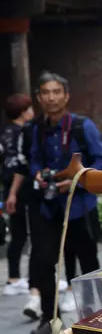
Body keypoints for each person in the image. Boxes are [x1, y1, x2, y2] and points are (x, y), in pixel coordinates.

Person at [28, 72, 102, 334]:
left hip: (79, 206)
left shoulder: (81, 126)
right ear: (39, 98)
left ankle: (99, 319)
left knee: (88, 263)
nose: (51, 98)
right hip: (47, 207)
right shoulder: (36, 128)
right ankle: (49, 318)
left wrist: (76, 179)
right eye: (45, 93)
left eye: (56, 92)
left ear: (66, 95)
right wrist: (39, 173)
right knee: (42, 261)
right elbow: (34, 161)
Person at [1, 94, 36, 299]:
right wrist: (14, 192)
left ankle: (14, 278)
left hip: (8, 187)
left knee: (18, 234)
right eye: (29, 108)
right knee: (26, 233)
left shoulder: (4, 132)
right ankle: (20, 280)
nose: (32, 112)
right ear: (23, 112)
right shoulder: (21, 132)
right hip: (19, 188)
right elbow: (18, 166)